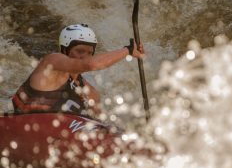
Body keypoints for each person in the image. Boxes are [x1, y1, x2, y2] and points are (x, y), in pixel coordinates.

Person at [12, 23, 144, 116]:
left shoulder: (92, 94)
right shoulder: (51, 63)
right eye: (80, 51)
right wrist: (128, 50)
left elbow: (100, 125)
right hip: (27, 130)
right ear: (64, 50)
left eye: (89, 52)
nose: (85, 56)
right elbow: (91, 65)